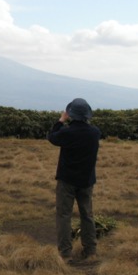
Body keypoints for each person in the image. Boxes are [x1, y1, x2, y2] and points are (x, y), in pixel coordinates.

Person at [47, 97, 101, 262]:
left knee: (64, 215)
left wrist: (61, 121)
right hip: (86, 181)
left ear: (71, 114)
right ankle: (90, 251)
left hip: (67, 180)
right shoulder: (95, 133)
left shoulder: (67, 132)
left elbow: (52, 137)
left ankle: (65, 253)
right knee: (87, 215)